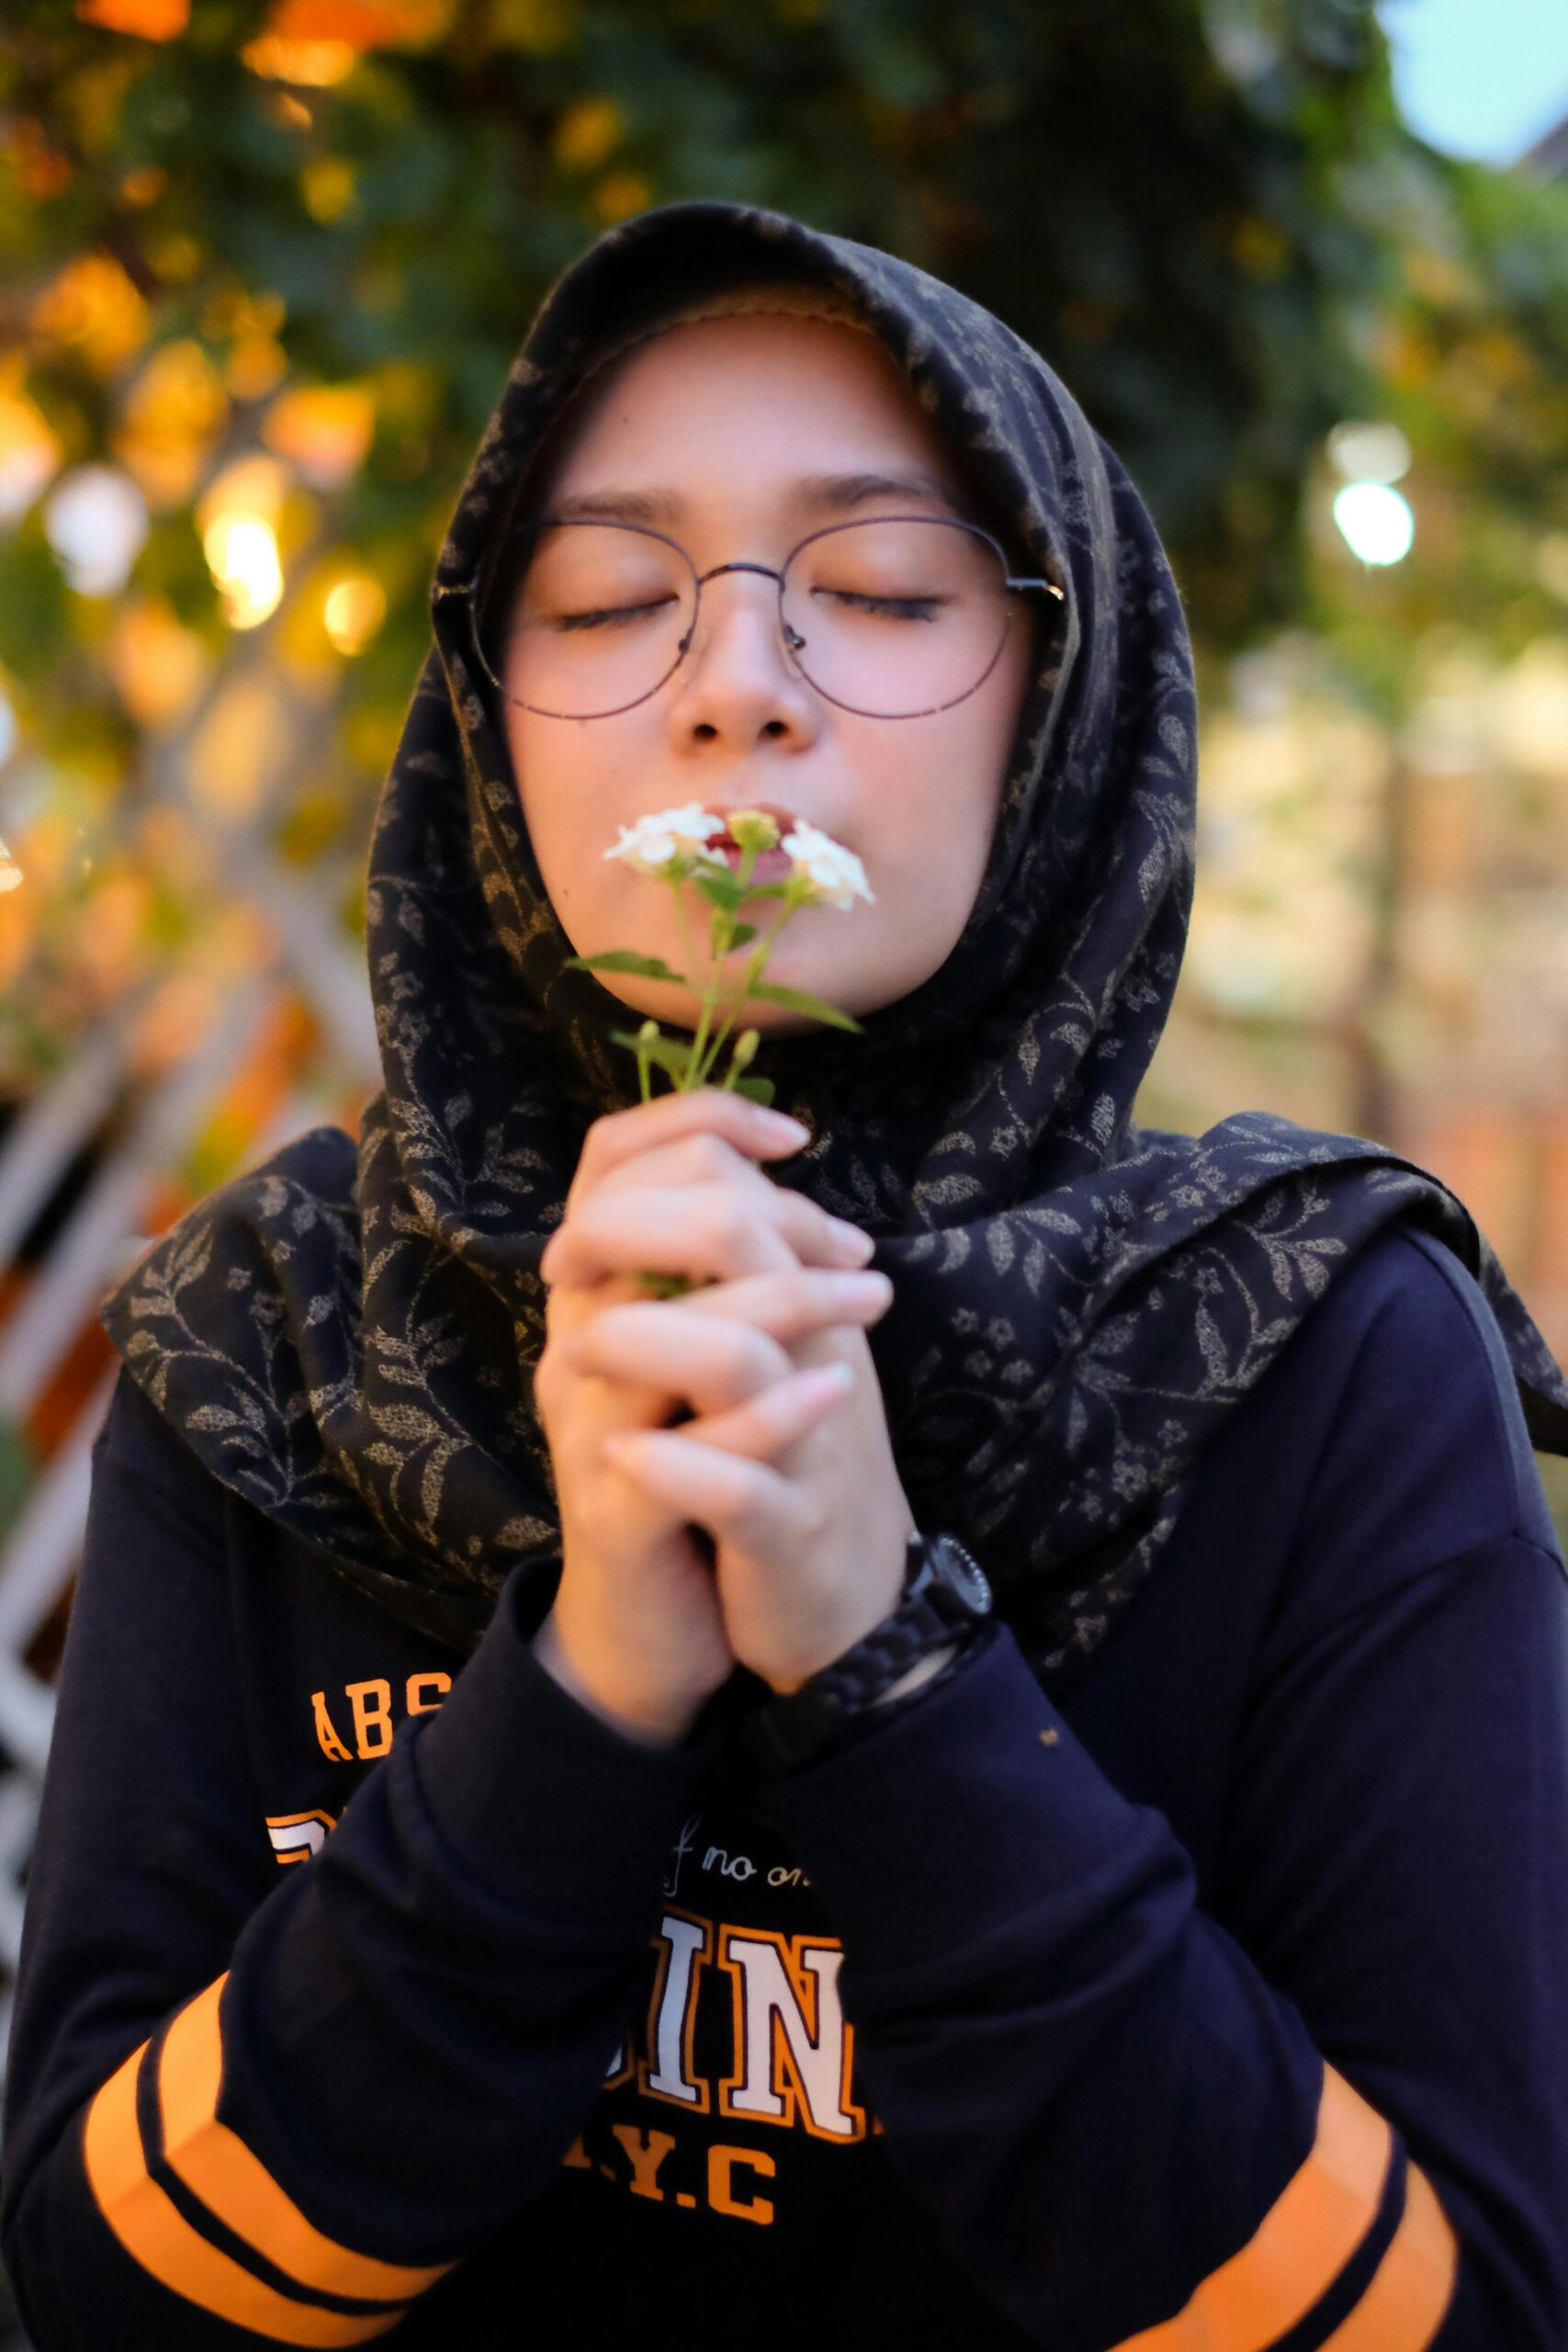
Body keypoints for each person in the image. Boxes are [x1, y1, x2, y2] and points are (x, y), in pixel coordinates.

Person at [2, 198, 1566, 2351]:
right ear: (486, 710)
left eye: (882, 590)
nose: (734, 683)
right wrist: (573, 1702)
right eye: (609, 595)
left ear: (1062, 696)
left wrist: (883, 1659)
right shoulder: (272, 1340)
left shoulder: (1309, 1355)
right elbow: (101, 2294)